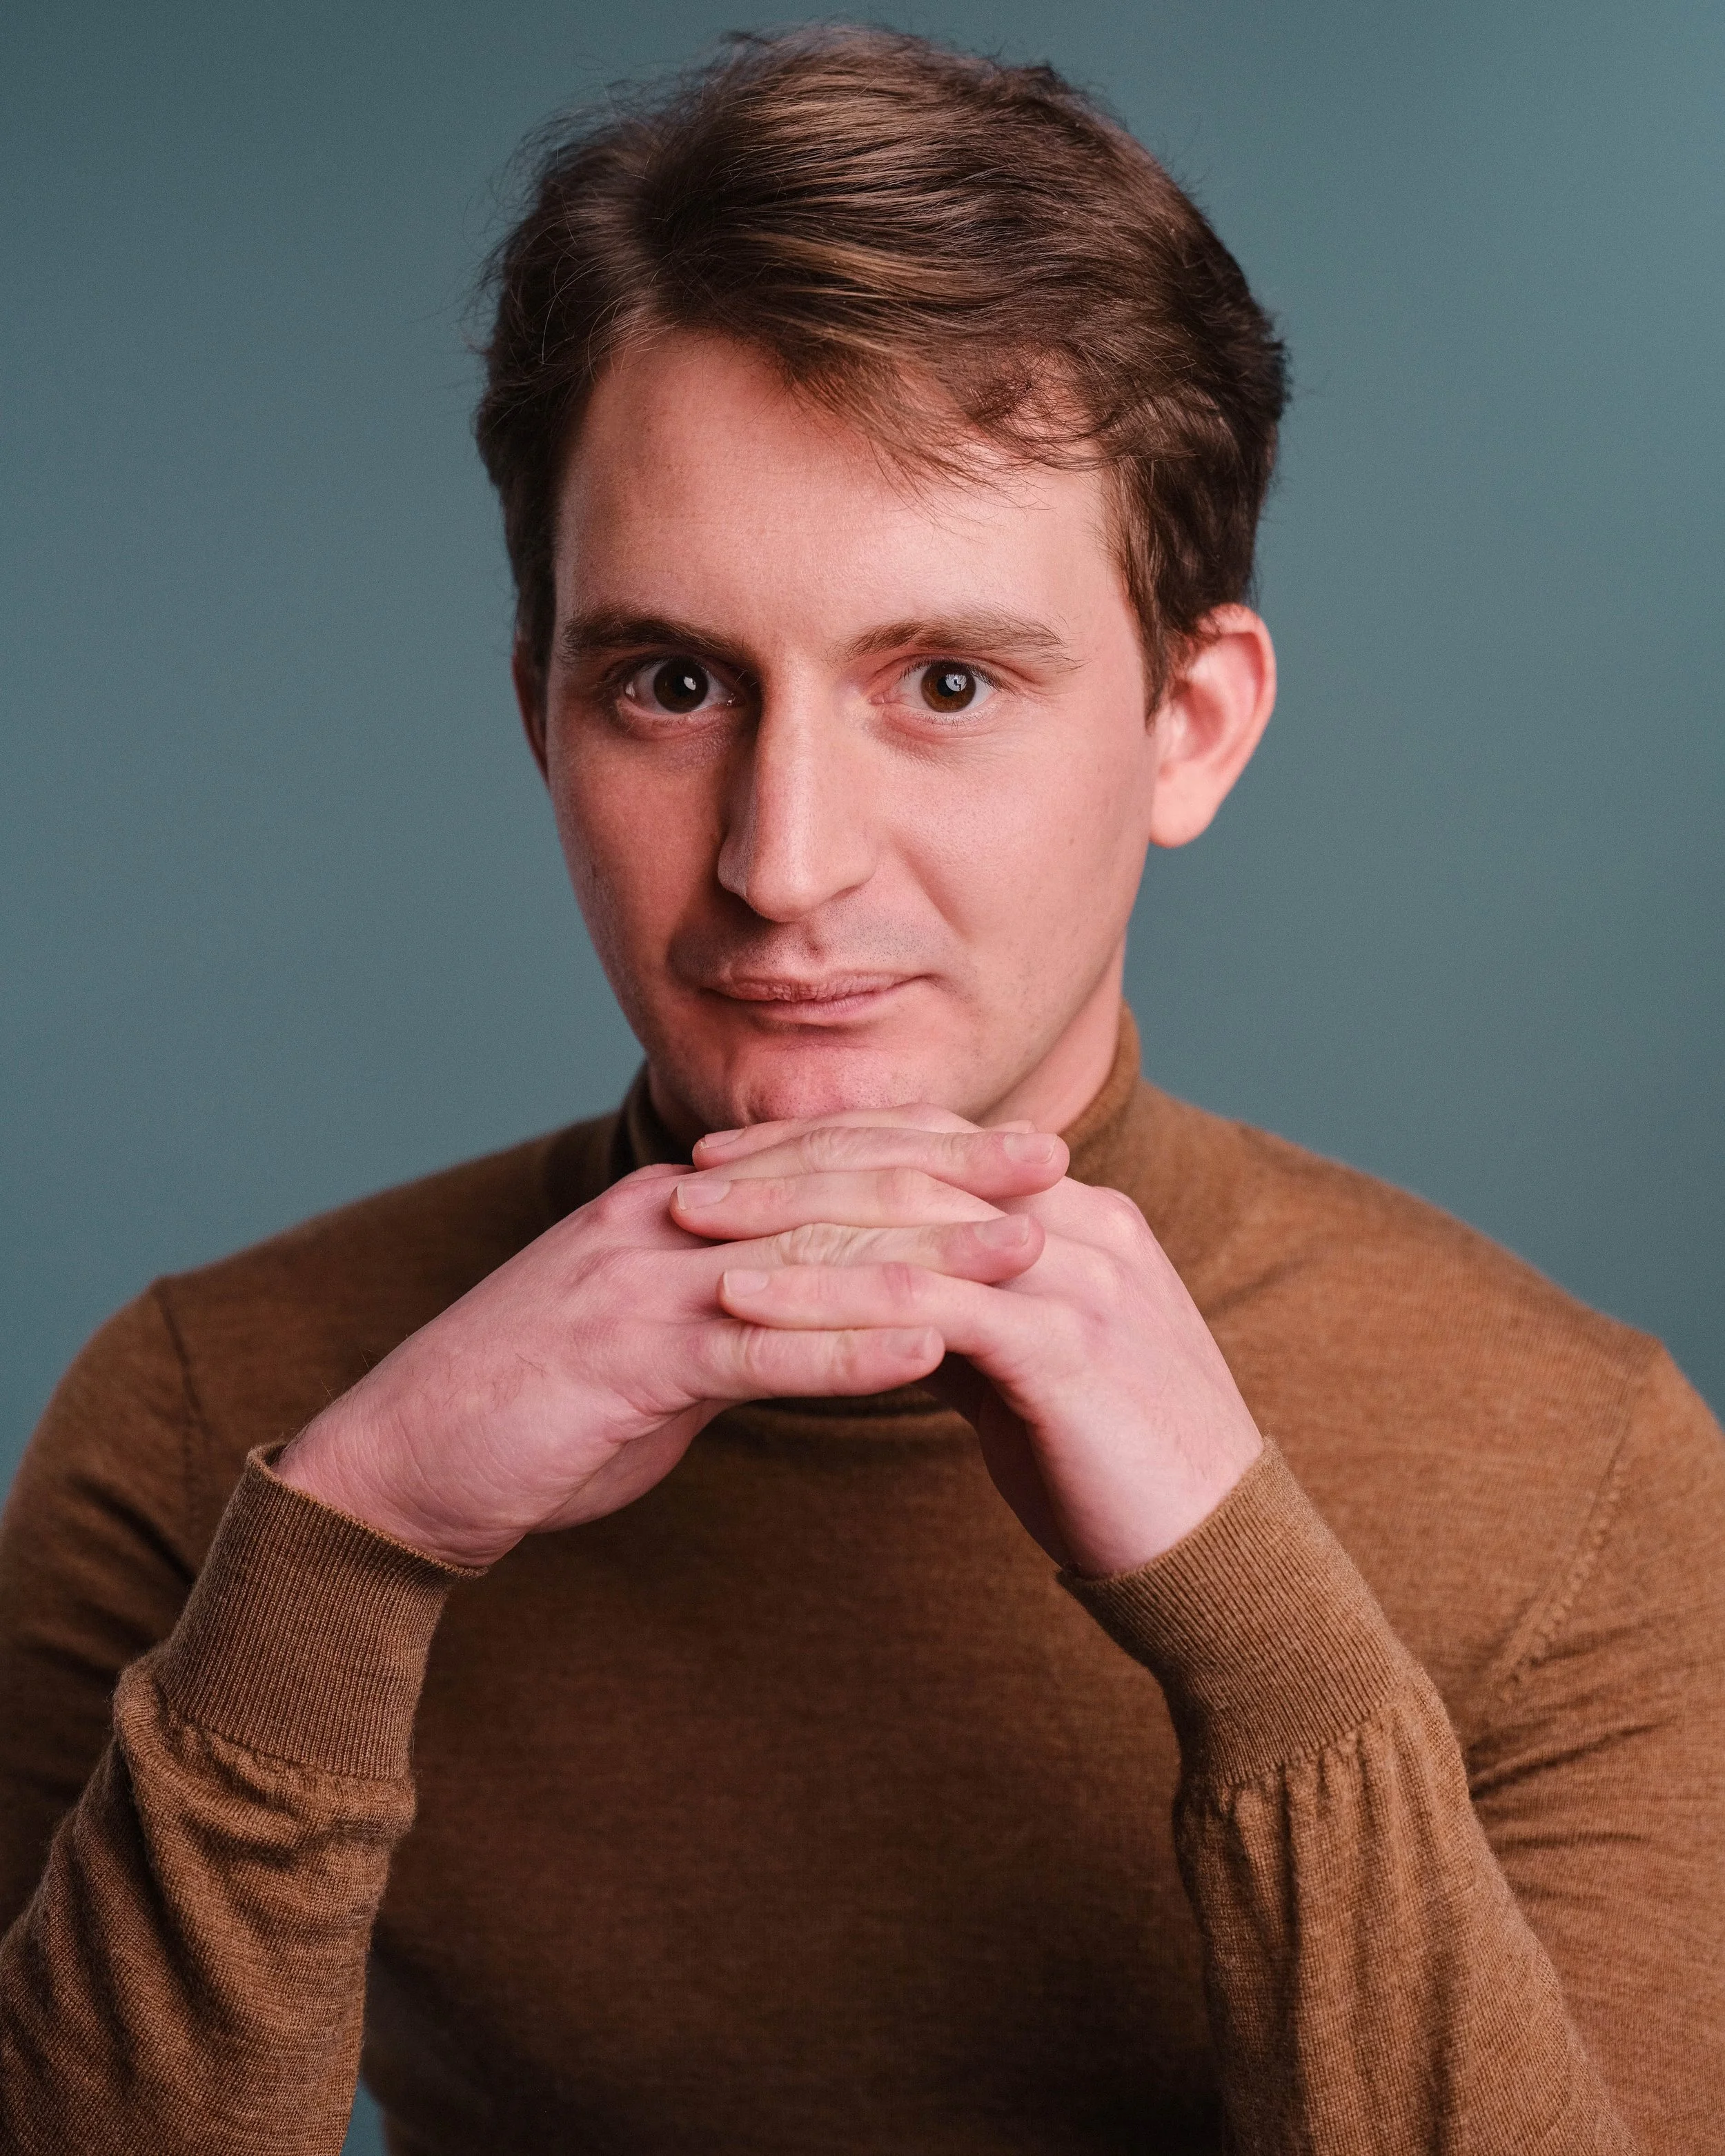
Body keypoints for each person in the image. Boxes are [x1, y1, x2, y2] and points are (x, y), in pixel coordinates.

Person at [1, 24, 1720, 2153]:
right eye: (670, 682)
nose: (782, 859)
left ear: (1190, 724)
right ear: (540, 715)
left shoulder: (1578, 1473)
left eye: (945, 681)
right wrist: (350, 1552)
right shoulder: (217, 1423)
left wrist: (1265, 1630)